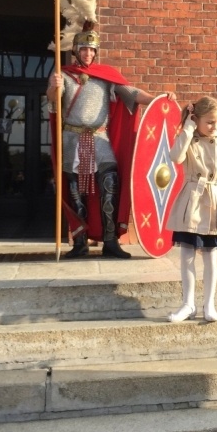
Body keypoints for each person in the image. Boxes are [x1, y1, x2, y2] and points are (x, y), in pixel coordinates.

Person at [48, 29, 175, 259]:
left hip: (100, 140)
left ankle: (110, 240)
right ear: (76, 50)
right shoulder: (63, 75)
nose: (88, 53)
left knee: (109, 186)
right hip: (73, 141)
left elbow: (132, 93)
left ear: (96, 52)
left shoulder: (106, 77)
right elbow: (52, 101)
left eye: (91, 49)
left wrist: (157, 99)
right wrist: (53, 86)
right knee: (77, 194)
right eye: (84, 49)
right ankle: (80, 242)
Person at [165, 96, 217, 322]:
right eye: (210, 122)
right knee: (186, 255)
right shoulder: (188, 138)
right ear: (197, 119)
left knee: (210, 256)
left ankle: (209, 305)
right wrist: (188, 126)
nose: (215, 126)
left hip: (213, 204)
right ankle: (188, 304)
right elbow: (175, 156)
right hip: (191, 201)